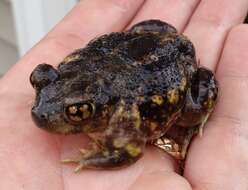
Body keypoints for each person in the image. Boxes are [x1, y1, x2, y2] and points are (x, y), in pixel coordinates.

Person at [0, 0, 248, 189]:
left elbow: (128, 150)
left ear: (100, 109)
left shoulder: (121, 113)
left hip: (171, 65)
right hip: (136, 51)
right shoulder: (72, 65)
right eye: (40, 80)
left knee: (192, 113)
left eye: (77, 111)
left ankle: (196, 120)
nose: (40, 109)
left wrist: (91, 159)